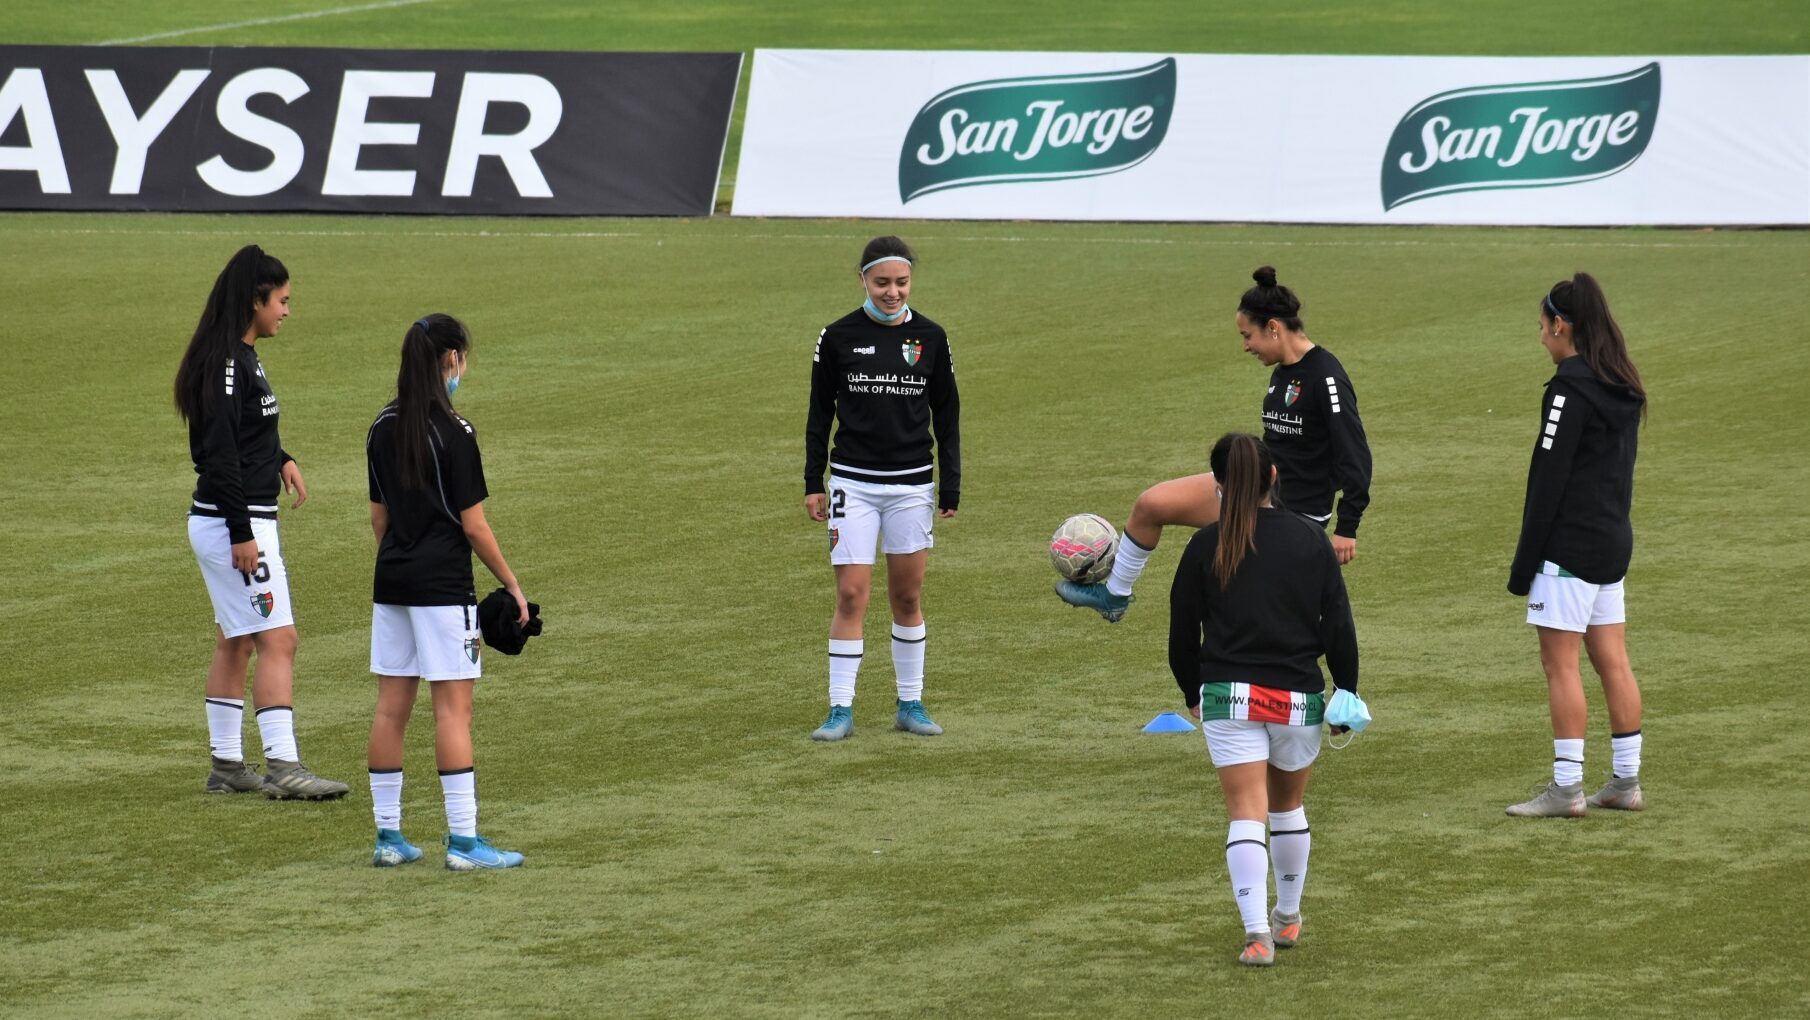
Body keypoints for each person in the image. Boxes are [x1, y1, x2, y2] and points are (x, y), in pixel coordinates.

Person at [1058, 266, 1371, 621]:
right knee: (1151, 505)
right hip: (1250, 489)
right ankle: (1115, 596)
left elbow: (1355, 455)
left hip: (1293, 512)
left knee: (1229, 589)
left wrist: (1348, 527)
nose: (1245, 346)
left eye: (1247, 335)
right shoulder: (1284, 370)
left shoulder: (1327, 378)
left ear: (1273, 328)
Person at [1169, 432, 1358, 967]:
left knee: (1245, 814)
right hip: (1298, 699)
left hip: (1229, 697)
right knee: (1287, 807)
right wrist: (1347, 690)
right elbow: (1338, 627)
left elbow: (1182, 633)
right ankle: (1288, 918)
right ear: (1275, 478)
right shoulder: (1309, 540)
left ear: (1219, 486)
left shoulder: (1204, 544)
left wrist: (1191, 692)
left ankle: (1256, 935)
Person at [176, 244, 347, 801]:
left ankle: (227, 765)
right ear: (255, 301)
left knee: (238, 639)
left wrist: (280, 457)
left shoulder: (240, 356)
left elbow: (247, 433)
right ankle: (284, 766)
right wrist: (242, 534)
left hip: (232, 517)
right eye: (282, 300)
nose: (287, 311)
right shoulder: (229, 362)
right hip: (235, 521)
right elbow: (218, 452)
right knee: (281, 638)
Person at [364, 314, 531, 869]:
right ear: (451, 360)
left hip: (392, 584)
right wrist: (511, 582)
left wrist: (402, 561)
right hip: (442, 588)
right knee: (453, 713)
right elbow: (475, 526)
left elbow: (379, 520)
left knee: (391, 711)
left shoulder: (380, 426)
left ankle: (389, 839)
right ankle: (463, 842)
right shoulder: (457, 434)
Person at [803, 236, 960, 741]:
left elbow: (948, 415)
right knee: (851, 594)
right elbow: (818, 414)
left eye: (901, 282)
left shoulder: (932, 338)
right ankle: (839, 709)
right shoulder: (837, 337)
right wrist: (813, 481)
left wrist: (950, 483)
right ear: (863, 280)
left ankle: (909, 703)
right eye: (882, 282)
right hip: (854, 483)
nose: (892, 292)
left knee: (907, 596)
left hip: (913, 485)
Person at [1505, 274, 1647, 818]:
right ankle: (1625, 782)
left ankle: (1567, 790)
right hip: (1613, 541)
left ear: (1562, 325)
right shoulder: (1622, 383)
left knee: (1560, 665)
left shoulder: (1568, 390)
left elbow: (1547, 481)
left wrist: (1524, 566)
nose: (1541, 337)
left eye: (1542, 327)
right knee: (1613, 660)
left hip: (1570, 548)